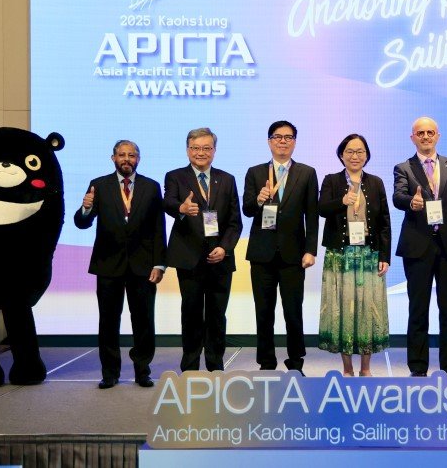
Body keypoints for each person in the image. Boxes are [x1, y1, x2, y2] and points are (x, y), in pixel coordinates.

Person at [73, 140, 166, 389]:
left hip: (143, 266)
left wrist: (160, 264)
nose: (127, 159)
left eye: (131, 155)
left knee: (144, 321)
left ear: (138, 159)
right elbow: (82, 223)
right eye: (122, 155)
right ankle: (110, 373)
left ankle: (142, 371)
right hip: (108, 265)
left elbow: (159, 227)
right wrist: (85, 208)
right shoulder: (99, 185)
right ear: (113, 158)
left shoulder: (151, 186)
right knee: (108, 321)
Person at [393, 116, 447, 377]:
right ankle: (417, 367)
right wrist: (410, 202)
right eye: (420, 133)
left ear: (437, 136)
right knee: (418, 310)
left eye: (430, 132)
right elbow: (398, 196)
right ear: (412, 138)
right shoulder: (403, 168)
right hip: (418, 248)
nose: (425, 137)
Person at [242, 120, 319, 374]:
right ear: (269, 142)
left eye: (288, 137)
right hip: (262, 254)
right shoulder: (255, 172)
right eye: (277, 137)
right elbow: (247, 209)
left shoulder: (306, 173)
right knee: (264, 312)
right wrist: (258, 199)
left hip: (293, 255)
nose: (283, 141)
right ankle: (266, 363)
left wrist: (311, 250)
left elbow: (312, 215)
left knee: (293, 312)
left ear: (294, 142)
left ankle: (296, 363)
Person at [163, 128, 242, 372]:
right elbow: (168, 202)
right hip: (189, 257)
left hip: (220, 258)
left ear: (214, 151)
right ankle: (189, 367)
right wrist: (181, 209)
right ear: (188, 150)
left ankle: (215, 366)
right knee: (191, 313)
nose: (201, 153)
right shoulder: (175, 176)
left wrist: (224, 248)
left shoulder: (227, 179)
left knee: (217, 315)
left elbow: (234, 222)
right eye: (196, 148)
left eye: (206, 148)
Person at [318, 134, 391, 376]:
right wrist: (342, 201)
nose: (355, 156)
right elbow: (321, 209)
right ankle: (347, 368)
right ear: (341, 155)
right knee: (343, 310)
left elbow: (384, 222)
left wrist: (384, 255)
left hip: (369, 254)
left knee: (368, 309)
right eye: (349, 151)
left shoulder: (376, 182)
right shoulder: (331, 180)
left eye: (360, 152)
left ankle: (366, 368)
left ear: (367, 155)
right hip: (340, 255)